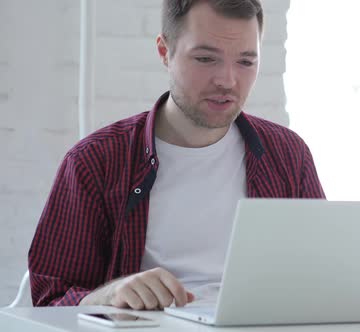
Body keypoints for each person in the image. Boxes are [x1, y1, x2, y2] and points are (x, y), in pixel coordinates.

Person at [28, 0, 325, 310]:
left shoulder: (289, 155)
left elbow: (326, 276)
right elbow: (49, 300)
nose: (227, 80)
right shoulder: (94, 162)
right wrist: (109, 296)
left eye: (246, 62)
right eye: (206, 58)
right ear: (164, 52)